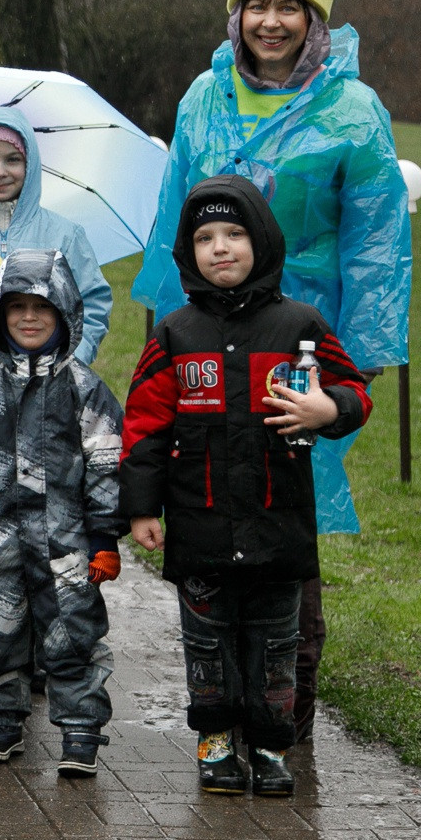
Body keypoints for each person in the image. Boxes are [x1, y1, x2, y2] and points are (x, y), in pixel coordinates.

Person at [131, 0, 410, 742]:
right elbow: (176, 216)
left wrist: (350, 372)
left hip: (302, 340)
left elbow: (376, 244)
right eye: (258, 3)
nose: (273, 21)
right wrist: (168, 337)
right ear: (237, 11)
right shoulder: (202, 98)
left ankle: (288, 716)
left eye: (291, 4)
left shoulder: (356, 114)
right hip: (209, 341)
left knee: (291, 522)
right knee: (214, 502)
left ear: (316, 16)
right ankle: (220, 710)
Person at [122, 177, 372, 796]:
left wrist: (328, 409)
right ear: (188, 253)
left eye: (235, 234)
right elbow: (144, 427)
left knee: (275, 640)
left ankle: (268, 744)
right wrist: (139, 508)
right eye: (205, 238)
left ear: (261, 241)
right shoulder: (174, 334)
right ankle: (214, 740)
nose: (221, 248)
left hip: (277, 521)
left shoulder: (300, 325)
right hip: (200, 521)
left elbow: (355, 392)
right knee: (207, 639)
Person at [0, 249, 125, 778]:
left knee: (73, 631)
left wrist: (106, 539)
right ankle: (0, 717)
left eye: (41, 307)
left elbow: (107, 466)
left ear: (64, 313)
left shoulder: (85, 389)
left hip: (67, 544)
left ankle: (82, 727)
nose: (27, 317)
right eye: (15, 306)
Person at [0, 111, 112, 364]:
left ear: (29, 164)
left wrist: (72, 360)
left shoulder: (65, 234)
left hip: (47, 379)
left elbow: (92, 305)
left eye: (12, 160)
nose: (0, 172)